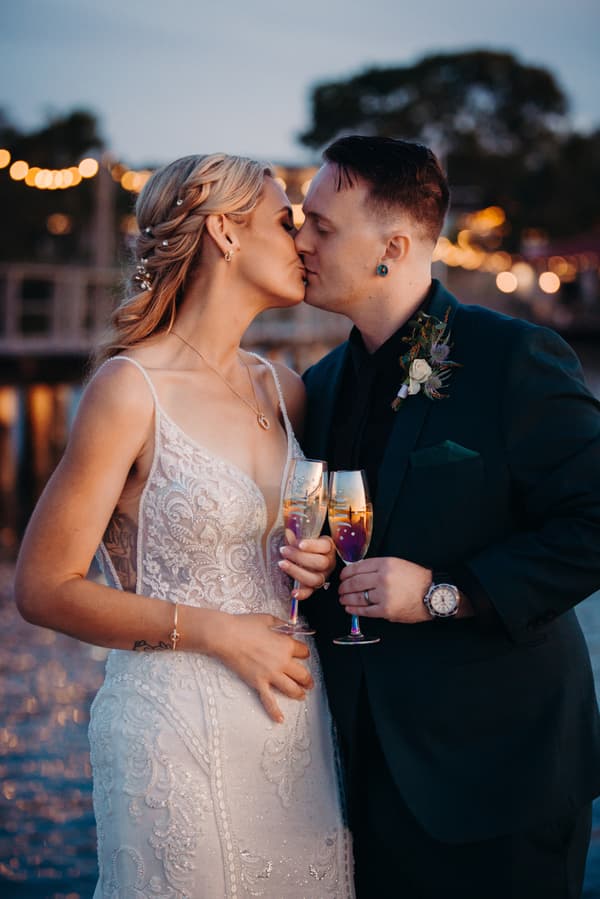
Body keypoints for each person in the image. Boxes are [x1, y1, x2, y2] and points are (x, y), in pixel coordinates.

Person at [14, 153, 354, 898]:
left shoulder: (284, 389)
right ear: (225, 234)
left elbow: (289, 547)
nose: (301, 240)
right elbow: (42, 587)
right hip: (173, 732)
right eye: (283, 219)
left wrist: (317, 560)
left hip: (293, 732)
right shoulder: (129, 391)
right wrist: (218, 631)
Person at [292, 135, 600, 899]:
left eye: (322, 226)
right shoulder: (318, 387)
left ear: (391, 246)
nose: (300, 240)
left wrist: (443, 592)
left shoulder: (513, 359)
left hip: (499, 781)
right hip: (355, 780)